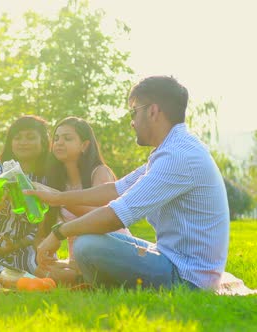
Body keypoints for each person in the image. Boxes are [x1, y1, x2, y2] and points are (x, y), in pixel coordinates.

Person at [27, 76, 229, 290]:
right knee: (89, 241)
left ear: (152, 111)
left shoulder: (178, 156)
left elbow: (116, 215)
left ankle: (94, 282)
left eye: (134, 112)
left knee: (86, 245)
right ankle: (97, 283)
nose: (131, 121)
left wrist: (59, 232)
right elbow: (115, 189)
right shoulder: (171, 150)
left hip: (187, 276)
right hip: (173, 259)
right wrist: (56, 197)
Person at [34, 116, 130, 285]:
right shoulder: (56, 181)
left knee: (60, 277)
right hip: (78, 259)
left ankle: (89, 277)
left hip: (110, 248)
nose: (59, 143)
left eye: (67, 138)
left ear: (84, 145)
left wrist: (58, 198)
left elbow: (101, 216)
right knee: (41, 272)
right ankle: (82, 276)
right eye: (56, 138)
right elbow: (44, 229)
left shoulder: (100, 172)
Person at [0, 115, 49, 278]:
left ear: (44, 143)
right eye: (17, 138)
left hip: (26, 247)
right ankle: (23, 280)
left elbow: (43, 222)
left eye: (30, 137)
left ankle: (26, 279)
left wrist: (18, 244)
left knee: (37, 266)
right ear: (10, 143)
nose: (23, 142)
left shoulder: (46, 177)